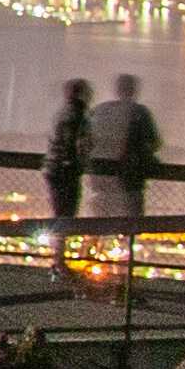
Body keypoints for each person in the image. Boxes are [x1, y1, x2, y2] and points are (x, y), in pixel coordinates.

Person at [98, 73, 159, 261]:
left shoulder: (102, 111)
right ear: (134, 91)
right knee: (132, 220)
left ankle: (100, 257)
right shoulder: (139, 113)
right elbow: (154, 141)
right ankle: (128, 262)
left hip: (100, 176)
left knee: (101, 220)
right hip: (130, 176)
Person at [42, 78, 95, 268]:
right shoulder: (80, 116)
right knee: (67, 214)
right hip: (68, 171)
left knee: (58, 213)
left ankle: (57, 257)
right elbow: (83, 145)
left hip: (53, 169)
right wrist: (83, 163)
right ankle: (60, 259)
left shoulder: (60, 114)